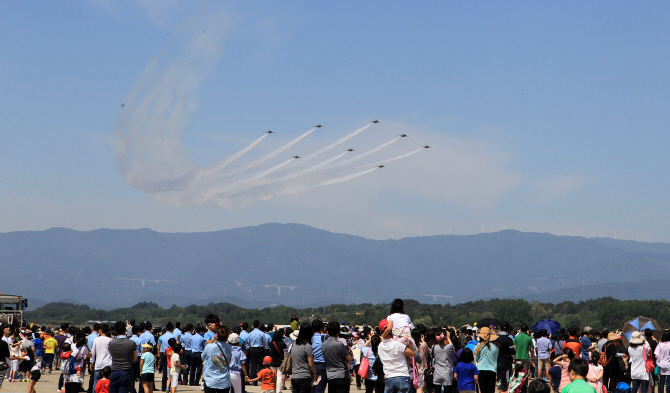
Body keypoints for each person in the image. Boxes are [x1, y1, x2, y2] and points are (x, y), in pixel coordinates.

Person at [377, 319, 416, 393]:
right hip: (402, 376)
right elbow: (413, 353)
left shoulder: (380, 346)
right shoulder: (397, 344)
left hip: (388, 377)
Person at [322, 321, 353, 393]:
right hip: (342, 375)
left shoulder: (323, 345)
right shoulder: (339, 345)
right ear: (338, 332)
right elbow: (349, 359)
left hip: (330, 375)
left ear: (327, 332)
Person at [108, 321, 138, 393]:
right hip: (126, 370)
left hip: (114, 370)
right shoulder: (132, 343)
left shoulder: (111, 343)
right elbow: (134, 359)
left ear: (115, 331)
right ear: (125, 330)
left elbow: (111, 354)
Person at [202, 326, 232, 393]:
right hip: (224, 381)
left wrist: (213, 339)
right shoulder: (229, 347)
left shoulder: (209, 346)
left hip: (210, 380)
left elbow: (202, 357)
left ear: (216, 335)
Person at [291, 323, 316, 393]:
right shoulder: (307, 346)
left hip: (294, 376)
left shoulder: (295, 344)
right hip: (304, 377)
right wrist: (315, 373)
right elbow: (311, 364)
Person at [475, 327, 499, 393]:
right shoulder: (496, 347)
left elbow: (477, 359)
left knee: (482, 390)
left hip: (481, 370)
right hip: (492, 370)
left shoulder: (479, 345)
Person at [432, 329, 456, 393]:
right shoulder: (449, 347)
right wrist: (448, 338)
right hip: (447, 372)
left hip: (437, 372)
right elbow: (453, 349)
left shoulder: (433, 347)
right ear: (444, 337)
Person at [90, 324, 113, 390]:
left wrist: (91, 362)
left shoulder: (96, 340)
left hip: (98, 363)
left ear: (100, 330)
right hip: (108, 364)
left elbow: (93, 352)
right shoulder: (110, 340)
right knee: (108, 382)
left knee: (96, 381)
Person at [497, 321, 516, 393]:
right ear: (508, 329)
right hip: (506, 363)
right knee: (505, 383)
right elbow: (512, 352)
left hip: (497, 362)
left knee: (501, 381)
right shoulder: (509, 340)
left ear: (500, 328)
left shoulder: (496, 339)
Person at [157, 322, 176, 392]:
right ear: (172, 329)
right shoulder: (173, 336)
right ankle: (170, 387)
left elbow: (159, 344)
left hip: (164, 353)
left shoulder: (162, 336)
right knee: (171, 371)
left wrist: (159, 352)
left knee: (165, 371)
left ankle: (163, 387)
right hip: (171, 353)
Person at [311, 319, 327, 393]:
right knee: (320, 388)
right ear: (322, 328)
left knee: (312, 388)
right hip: (322, 366)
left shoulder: (310, 339)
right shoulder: (325, 338)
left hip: (311, 365)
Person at [249, 320, 267, 386]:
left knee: (253, 365)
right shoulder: (262, 333)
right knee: (261, 365)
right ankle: (262, 380)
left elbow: (249, 344)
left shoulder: (250, 333)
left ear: (253, 325)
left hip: (253, 349)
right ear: (259, 325)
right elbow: (264, 343)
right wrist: (263, 348)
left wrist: (251, 349)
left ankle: (254, 381)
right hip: (260, 349)